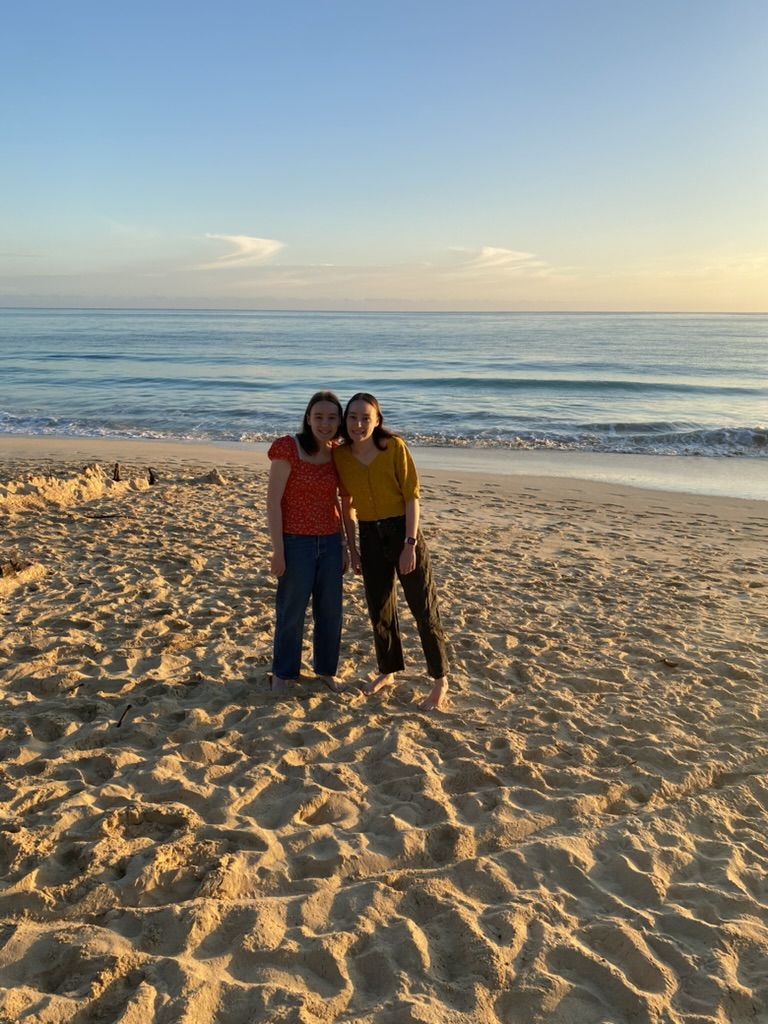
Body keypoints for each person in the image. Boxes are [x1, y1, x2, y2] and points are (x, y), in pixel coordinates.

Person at [334, 392, 449, 711]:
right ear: (346, 421)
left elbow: (412, 497)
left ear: (377, 420)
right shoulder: (341, 456)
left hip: (403, 532)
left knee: (423, 608)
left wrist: (410, 544)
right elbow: (346, 503)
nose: (358, 424)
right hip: (369, 537)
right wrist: (353, 548)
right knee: (379, 610)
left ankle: (440, 680)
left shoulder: (394, 447)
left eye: (365, 418)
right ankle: (388, 670)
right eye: (353, 417)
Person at [266, 391, 347, 694]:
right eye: (319, 417)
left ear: (339, 421)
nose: (325, 424)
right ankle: (282, 673)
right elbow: (273, 502)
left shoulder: (337, 453)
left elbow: (338, 501)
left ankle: (326, 670)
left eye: (331, 418)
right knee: (291, 612)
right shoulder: (289, 447)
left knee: (331, 611)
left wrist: (342, 546)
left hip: (328, 541)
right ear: (308, 418)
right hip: (295, 542)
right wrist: (278, 551)